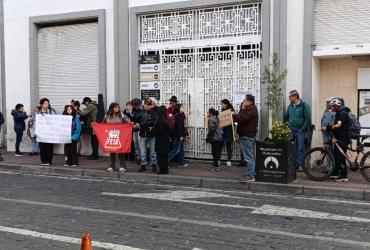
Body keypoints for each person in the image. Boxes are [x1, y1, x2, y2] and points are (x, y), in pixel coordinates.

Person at [233, 94, 258, 182]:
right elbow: (241, 116)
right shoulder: (248, 109)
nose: (243, 102)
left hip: (247, 136)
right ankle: (251, 173)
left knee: (249, 157)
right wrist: (241, 108)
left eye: (244, 100)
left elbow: (241, 118)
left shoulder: (251, 110)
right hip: (246, 135)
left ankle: (250, 176)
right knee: (250, 156)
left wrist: (232, 115)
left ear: (249, 101)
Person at [285, 90, 311, 171]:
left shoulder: (304, 105)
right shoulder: (290, 106)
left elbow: (308, 119)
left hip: (300, 130)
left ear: (295, 97)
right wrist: (287, 125)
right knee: (290, 147)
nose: (289, 98)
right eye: (289, 96)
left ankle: (300, 165)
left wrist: (302, 129)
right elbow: (287, 117)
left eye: (290, 96)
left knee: (301, 148)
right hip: (291, 130)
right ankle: (292, 164)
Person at [327, 98, 350, 182]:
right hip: (339, 138)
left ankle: (344, 176)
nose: (332, 108)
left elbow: (338, 124)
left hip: (343, 138)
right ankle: (336, 173)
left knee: (341, 156)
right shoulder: (338, 113)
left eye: (333, 106)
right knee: (336, 155)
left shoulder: (343, 113)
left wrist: (328, 127)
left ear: (337, 106)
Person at [103, 102, 131, 172]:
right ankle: (111, 166)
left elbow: (127, 122)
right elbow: (102, 124)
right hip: (111, 135)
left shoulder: (121, 115)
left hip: (120, 135)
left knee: (121, 151)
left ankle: (122, 166)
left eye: (118, 107)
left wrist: (129, 122)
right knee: (112, 151)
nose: (117, 109)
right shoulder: (107, 115)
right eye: (116, 107)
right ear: (112, 108)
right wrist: (96, 125)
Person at [137, 99, 157, 172]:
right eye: (147, 104)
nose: (148, 106)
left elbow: (155, 123)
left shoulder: (154, 113)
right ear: (144, 104)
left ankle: (154, 165)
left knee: (153, 151)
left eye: (149, 104)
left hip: (151, 134)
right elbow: (136, 121)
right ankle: (143, 165)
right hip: (143, 134)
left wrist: (152, 127)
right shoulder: (140, 112)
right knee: (143, 151)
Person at [37, 98, 56, 166]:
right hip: (41, 134)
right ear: (41, 104)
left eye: (47, 103)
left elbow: (55, 121)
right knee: (42, 148)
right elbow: (35, 122)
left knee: (49, 148)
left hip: (50, 134)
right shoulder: (38, 112)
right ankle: (43, 161)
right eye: (45, 103)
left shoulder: (51, 112)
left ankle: (49, 161)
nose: (46, 105)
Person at [154, 105, 171, 174]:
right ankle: (165, 170)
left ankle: (162, 170)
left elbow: (159, 130)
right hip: (165, 139)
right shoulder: (165, 119)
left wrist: (153, 130)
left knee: (160, 156)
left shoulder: (158, 119)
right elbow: (169, 129)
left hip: (159, 139)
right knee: (165, 156)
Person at [221, 99, 235, 167]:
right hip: (222, 129)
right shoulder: (222, 111)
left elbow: (234, 120)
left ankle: (229, 160)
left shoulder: (231, 110)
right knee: (220, 144)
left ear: (226, 104)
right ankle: (218, 159)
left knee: (229, 145)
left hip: (229, 130)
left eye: (222, 104)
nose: (221, 105)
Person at [131, 98, 143, 164]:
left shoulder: (142, 111)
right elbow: (132, 119)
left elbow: (144, 120)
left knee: (140, 145)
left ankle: (141, 159)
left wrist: (139, 124)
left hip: (139, 130)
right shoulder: (133, 111)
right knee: (136, 145)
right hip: (134, 130)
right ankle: (138, 158)